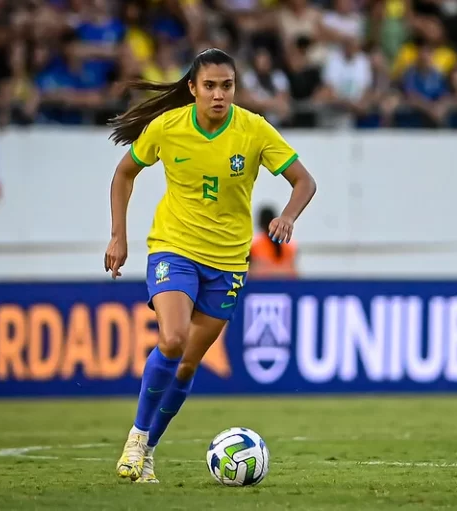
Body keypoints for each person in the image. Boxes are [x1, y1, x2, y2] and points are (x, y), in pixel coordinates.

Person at [104, 48, 317, 484]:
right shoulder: (167, 127)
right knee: (173, 338)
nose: (219, 95)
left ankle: (149, 452)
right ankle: (137, 438)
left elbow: (305, 181)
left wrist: (288, 215)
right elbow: (124, 174)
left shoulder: (254, 130)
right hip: (174, 248)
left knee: (185, 365)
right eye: (210, 86)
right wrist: (118, 235)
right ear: (192, 89)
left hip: (228, 263)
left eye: (227, 86)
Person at [249, 205, 299, 279]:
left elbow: (251, 271)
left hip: (261, 286)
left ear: (260, 223)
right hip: (286, 285)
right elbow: (293, 271)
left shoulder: (255, 245)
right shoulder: (289, 245)